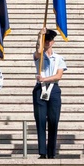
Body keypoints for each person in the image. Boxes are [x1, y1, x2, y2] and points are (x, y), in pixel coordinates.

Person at [33, 29, 66, 159]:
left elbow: (58, 76)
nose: (47, 42)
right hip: (40, 89)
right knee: (40, 121)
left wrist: (45, 79)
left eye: (49, 40)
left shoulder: (59, 58)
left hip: (53, 90)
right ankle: (42, 151)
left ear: (53, 42)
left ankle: (51, 151)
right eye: (45, 40)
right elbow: (38, 50)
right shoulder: (39, 56)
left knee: (53, 120)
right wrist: (39, 35)